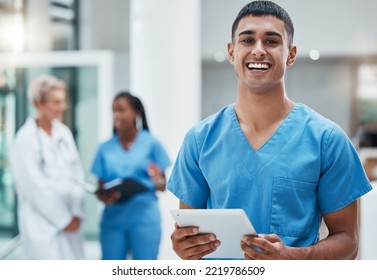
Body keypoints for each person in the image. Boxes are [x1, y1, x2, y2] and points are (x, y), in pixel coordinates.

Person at [167, 0, 373, 260]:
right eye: (247, 40)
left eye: (272, 41)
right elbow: (190, 232)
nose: (258, 50)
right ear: (232, 52)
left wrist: (292, 257)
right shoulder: (200, 140)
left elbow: (348, 242)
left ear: (291, 54)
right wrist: (184, 245)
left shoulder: (327, 140)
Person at [10, 74, 86, 259]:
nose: (63, 107)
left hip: (71, 222)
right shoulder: (25, 139)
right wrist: (64, 219)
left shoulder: (64, 133)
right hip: (41, 225)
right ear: (39, 104)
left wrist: (77, 213)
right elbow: (34, 188)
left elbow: (77, 175)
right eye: (56, 102)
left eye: (63, 101)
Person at [91, 91, 171, 260]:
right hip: (113, 221)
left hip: (144, 220)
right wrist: (103, 196)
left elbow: (162, 185)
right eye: (113, 110)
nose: (116, 115)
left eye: (121, 110)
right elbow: (100, 186)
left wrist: (157, 178)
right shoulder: (105, 148)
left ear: (136, 112)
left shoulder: (151, 143)